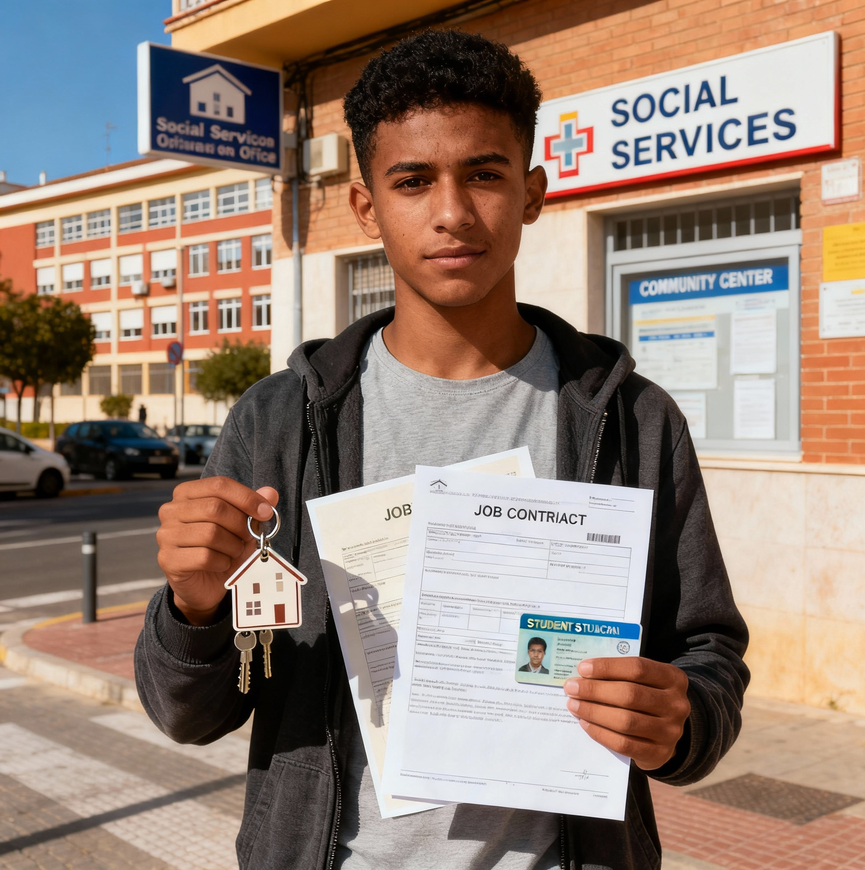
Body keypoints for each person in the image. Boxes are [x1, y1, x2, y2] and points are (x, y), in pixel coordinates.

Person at [135, 29, 749, 870]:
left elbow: (708, 654)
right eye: (413, 181)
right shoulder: (280, 423)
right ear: (364, 205)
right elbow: (189, 714)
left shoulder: (632, 420)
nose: (453, 213)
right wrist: (196, 609)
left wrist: (681, 720)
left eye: (485, 174)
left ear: (532, 192)